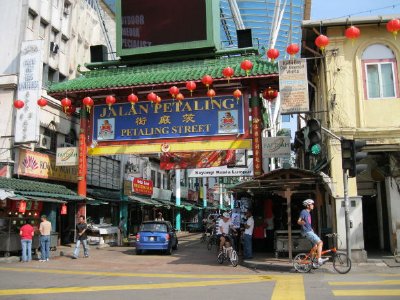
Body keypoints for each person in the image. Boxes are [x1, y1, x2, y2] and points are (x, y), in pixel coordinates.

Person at [297, 199, 329, 266]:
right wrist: (301, 222)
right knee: (320, 242)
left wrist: (311, 229)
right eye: (311, 204)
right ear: (308, 205)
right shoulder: (304, 212)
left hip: (309, 231)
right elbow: (298, 221)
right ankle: (319, 259)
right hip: (307, 232)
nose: (313, 205)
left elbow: (308, 224)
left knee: (315, 246)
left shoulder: (308, 213)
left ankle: (312, 262)